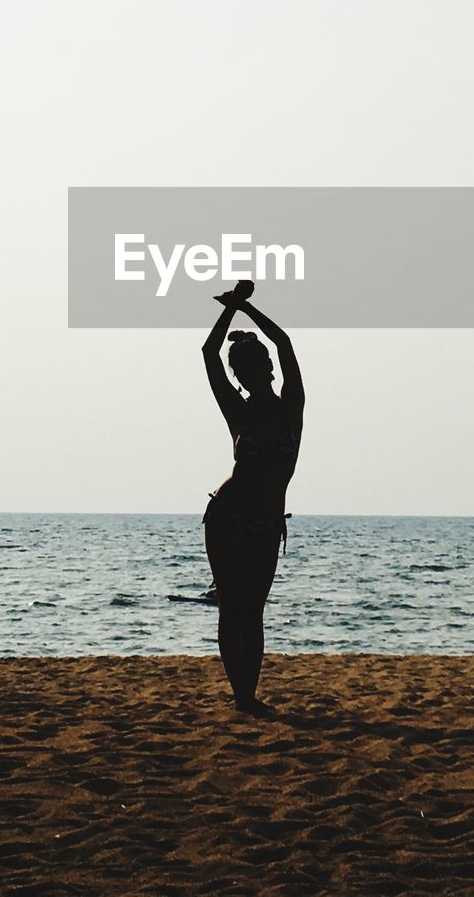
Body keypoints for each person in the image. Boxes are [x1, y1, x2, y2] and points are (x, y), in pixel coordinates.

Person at [201, 281, 304, 714]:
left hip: (266, 522)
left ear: (271, 368)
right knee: (232, 607)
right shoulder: (237, 411)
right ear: (241, 376)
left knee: (254, 611)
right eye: (247, 368)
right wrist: (229, 313)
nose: (259, 370)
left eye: (260, 363)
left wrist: (246, 306)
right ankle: (242, 696)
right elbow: (209, 354)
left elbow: (284, 341)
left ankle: (250, 694)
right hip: (228, 516)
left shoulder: (291, 405)